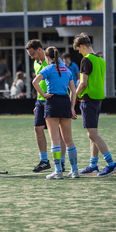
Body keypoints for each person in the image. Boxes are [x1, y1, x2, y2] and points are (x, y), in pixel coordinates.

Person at [73, 33, 116, 178]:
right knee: (92, 135)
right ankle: (93, 166)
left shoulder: (86, 60)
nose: (79, 53)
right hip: (98, 100)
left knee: (93, 135)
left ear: (82, 46)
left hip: (88, 100)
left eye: (78, 50)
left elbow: (83, 83)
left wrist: (74, 94)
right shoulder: (100, 59)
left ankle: (111, 164)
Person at [32, 46, 78, 180]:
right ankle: (74, 171)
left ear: (47, 57)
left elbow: (35, 82)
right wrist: (72, 107)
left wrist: (43, 94)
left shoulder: (47, 69)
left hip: (52, 103)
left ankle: (58, 171)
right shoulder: (67, 70)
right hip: (65, 103)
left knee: (55, 140)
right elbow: (73, 91)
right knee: (69, 140)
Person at [25, 39, 67, 173]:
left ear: (39, 50)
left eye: (32, 54)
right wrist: (38, 100)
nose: (31, 57)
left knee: (59, 133)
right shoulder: (35, 63)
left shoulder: (52, 61)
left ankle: (61, 161)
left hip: (53, 99)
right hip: (40, 100)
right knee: (38, 128)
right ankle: (44, 161)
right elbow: (39, 83)